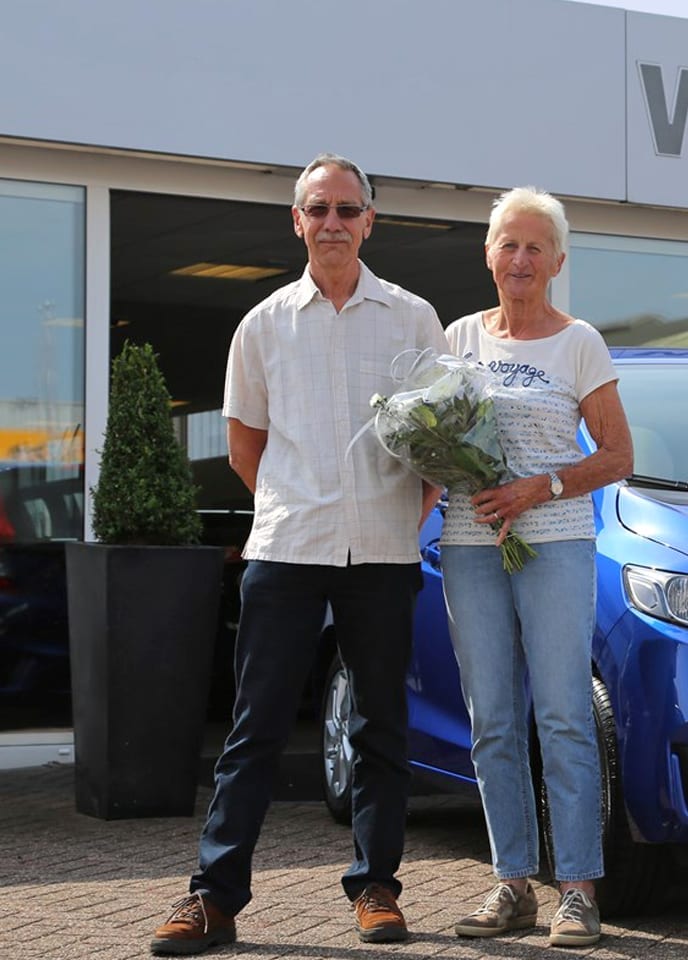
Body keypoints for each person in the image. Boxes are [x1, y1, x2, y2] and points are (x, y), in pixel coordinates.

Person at [150, 153, 448, 955]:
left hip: (382, 551)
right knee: (255, 729)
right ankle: (213, 899)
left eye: (347, 209)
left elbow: (436, 445)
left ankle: (377, 888)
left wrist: (403, 512)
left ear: (369, 222)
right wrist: (294, 502)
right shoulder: (263, 324)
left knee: (381, 727)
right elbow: (244, 445)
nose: (332, 223)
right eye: (318, 209)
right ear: (297, 221)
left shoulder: (414, 318)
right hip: (287, 548)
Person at [442, 186, 633, 948]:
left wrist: (540, 486)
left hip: (553, 544)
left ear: (557, 261)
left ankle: (578, 890)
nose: (520, 259)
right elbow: (437, 432)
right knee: (491, 719)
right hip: (470, 544)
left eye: (534, 247)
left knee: (561, 715)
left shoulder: (579, 342)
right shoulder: (458, 338)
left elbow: (618, 455)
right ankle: (512, 883)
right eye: (508, 245)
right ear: (488, 255)